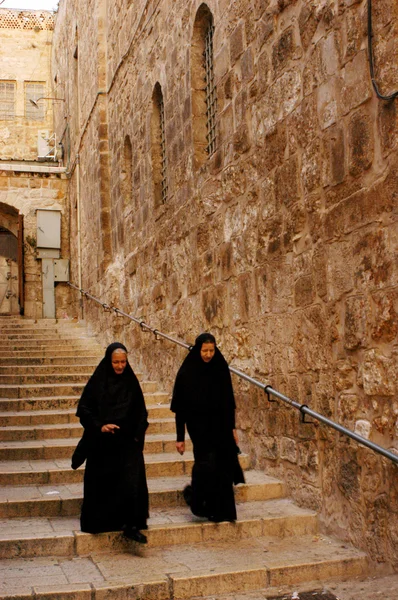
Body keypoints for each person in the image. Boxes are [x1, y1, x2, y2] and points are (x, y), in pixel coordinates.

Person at [74, 342, 149, 543]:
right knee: (102, 484)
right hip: (103, 444)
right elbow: (84, 409)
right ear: (109, 361)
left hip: (126, 443)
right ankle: (101, 522)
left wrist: (136, 434)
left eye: (123, 362)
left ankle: (131, 524)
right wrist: (101, 426)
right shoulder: (99, 381)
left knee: (131, 483)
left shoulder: (131, 382)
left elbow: (141, 411)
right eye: (116, 362)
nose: (119, 366)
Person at [171, 333, 244, 522]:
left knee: (223, 466)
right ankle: (199, 502)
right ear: (198, 349)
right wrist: (180, 438)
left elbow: (229, 402)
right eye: (205, 350)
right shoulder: (187, 372)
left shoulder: (220, 367)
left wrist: (232, 428)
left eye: (211, 350)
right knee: (206, 465)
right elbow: (180, 409)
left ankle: (220, 510)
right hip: (199, 428)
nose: (208, 354)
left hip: (220, 426)